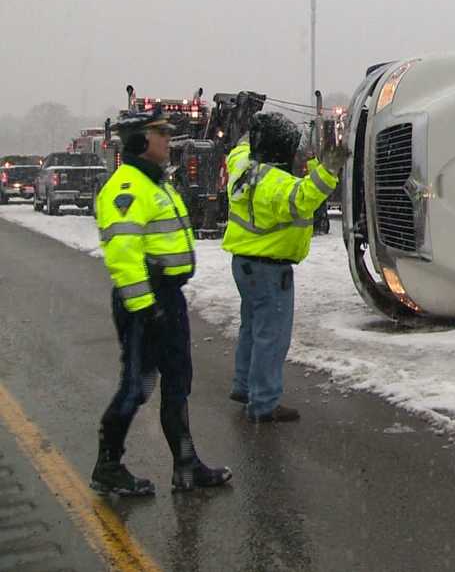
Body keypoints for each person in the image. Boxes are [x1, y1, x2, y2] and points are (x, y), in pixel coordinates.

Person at [92, 108, 232, 495]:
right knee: (137, 385)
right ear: (139, 141)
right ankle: (108, 466)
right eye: (161, 134)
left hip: (168, 299)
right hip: (146, 304)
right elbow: (123, 255)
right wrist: (146, 309)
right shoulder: (127, 188)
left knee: (177, 382)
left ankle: (186, 465)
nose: (169, 140)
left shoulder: (157, 183)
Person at [223, 112, 348, 423]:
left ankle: (244, 386)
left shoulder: (241, 167)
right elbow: (304, 197)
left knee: (251, 328)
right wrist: (328, 168)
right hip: (270, 270)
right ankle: (264, 402)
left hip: (244, 264)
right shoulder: (275, 184)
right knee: (272, 336)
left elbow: (239, 149)